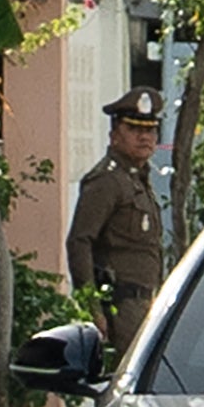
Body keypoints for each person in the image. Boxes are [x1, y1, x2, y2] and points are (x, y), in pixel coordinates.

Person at [66, 87, 168, 360]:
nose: (145, 137)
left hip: (146, 301)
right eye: (134, 129)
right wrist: (93, 309)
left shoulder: (138, 179)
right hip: (121, 306)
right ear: (114, 135)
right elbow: (80, 241)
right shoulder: (107, 181)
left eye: (150, 130)